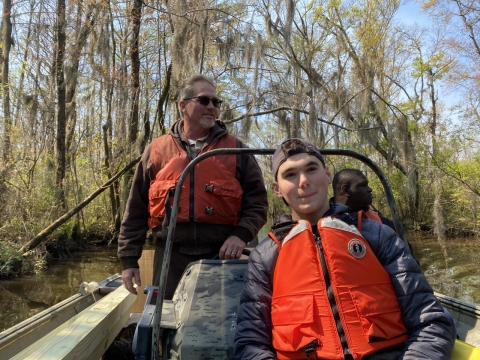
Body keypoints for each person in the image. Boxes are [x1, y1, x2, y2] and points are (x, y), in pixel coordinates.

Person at [234, 138, 455, 359]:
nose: (303, 181)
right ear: (277, 189)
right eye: (290, 175)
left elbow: (431, 322)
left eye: (311, 169)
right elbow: (250, 344)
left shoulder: (378, 236)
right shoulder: (265, 257)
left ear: (328, 175)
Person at [117, 74, 268, 299]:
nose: (212, 107)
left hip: (221, 256)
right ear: (183, 106)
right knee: (166, 322)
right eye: (204, 100)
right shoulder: (157, 150)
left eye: (216, 102)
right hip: (169, 256)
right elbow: (136, 209)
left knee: (219, 325)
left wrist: (240, 235)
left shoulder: (236, 149)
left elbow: (258, 203)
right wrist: (129, 260)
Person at [332, 168, 396, 231]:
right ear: (345, 190)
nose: (370, 189)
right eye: (363, 185)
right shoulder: (326, 220)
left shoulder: (384, 223)